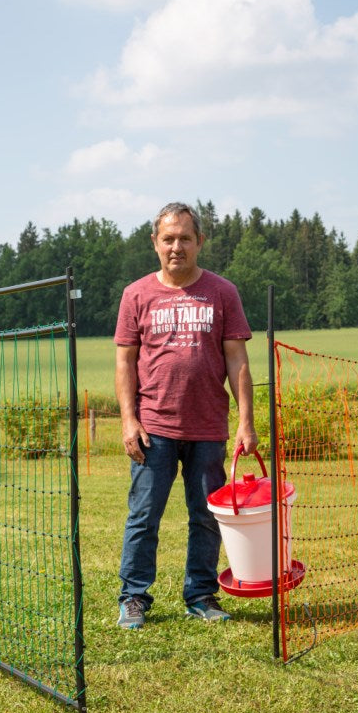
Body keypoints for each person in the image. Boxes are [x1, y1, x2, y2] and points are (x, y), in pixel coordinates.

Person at [114, 201, 258, 629]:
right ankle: (134, 597)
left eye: (185, 239)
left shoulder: (222, 291)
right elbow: (124, 362)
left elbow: (237, 359)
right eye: (168, 239)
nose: (177, 247)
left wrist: (246, 421)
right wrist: (128, 420)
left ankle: (201, 594)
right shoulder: (136, 294)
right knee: (144, 517)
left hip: (208, 427)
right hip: (153, 428)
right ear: (155, 244)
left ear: (200, 242)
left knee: (206, 516)